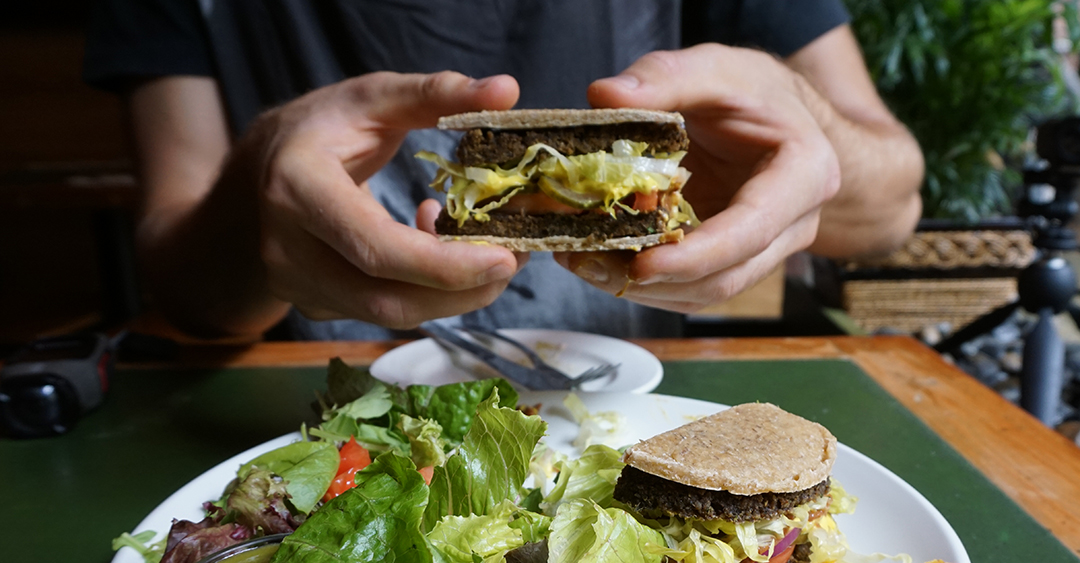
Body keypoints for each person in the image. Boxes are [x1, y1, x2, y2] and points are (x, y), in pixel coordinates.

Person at [84, 0, 924, 341]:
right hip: (305, 428)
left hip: (632, 423)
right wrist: (257, 183)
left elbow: (893, 205)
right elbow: (182, 281)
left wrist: (803, 123)